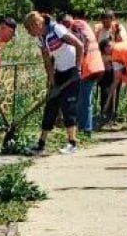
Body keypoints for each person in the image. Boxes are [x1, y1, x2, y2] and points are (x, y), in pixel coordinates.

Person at [23, 11, 84, 155]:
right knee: (51, 107)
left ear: (37, 24)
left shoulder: (57, 29)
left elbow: (79, 45)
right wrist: (52, 82)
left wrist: (78, 68)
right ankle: (41, 144)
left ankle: (72, 143)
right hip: (59, 73)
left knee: (68, 107)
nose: (28, 32)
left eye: (28, 29)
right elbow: (47, 62)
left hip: (72, 72)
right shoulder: (40, 38)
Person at [60, 13, 105, 136]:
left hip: (88, 67)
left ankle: (85, 130)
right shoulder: (82, 23)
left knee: (83, 100)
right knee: (84, 98)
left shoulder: (76, 25)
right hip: (95, 65)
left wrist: (77, 64)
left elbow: (81, 41)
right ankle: (84, 128)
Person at [95, 10, 127, 123]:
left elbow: (123, 44)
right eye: (103, 21)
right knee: (104, 90)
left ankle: (112, 114)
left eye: (107, 20)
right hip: (104, 66)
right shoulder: (100, 30)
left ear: (112, 19)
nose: (105, 23)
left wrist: (117, 33)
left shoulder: (118, 29)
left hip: (116, 65)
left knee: (114, 90)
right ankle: (104, 114)